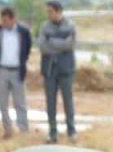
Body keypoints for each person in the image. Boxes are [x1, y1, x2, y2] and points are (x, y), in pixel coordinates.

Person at [0, 7, 32, 139]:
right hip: (1, 70)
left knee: (20, 103)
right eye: (2, 20)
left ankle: (23, 130)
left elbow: (27, 49)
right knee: (3, 103)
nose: (3, 23)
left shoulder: (24, 32)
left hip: (17, 71)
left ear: (13, 19)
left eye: (6, 20)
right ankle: (7, 129)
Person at [40, 0, 77, 144]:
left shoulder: (70, 25)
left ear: (58, 11)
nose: (48, 14)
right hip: (49, 69)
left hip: (66, 69)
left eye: (50, 11)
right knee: (50, 102)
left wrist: (52, 41)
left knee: (68, 100)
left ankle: (71, 131)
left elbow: (71, 45)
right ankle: (52, 132)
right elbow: (43, 47)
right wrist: (62, 44)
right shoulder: (44, 26)